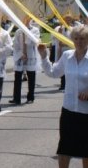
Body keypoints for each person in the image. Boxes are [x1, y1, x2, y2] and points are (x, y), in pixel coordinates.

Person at [38, 25, 88, 168]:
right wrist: (44, 57)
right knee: (64, 148)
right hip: (69, 110)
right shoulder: (67, 56)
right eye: (76, 38)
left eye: (83, 39)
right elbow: (53, 73)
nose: (79, 42)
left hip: (86, 112)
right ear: (72, 40)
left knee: (86, 151)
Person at [9, 17, 40, 105]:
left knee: (31, 77)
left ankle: (30, 97)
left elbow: (33, 42)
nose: (25, 20)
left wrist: (26, 32)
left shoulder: (35, 30)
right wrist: (20, 54)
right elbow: (15, 45)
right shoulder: (18, 31)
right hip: (20, 56)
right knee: (17, 77)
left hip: (30, 55)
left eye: (27, 18)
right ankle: (16, 98)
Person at [53, 13, 78, 91]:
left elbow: (74, 40)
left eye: (69, 19)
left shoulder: (73, 29)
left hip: (70, 50)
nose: (67, 20)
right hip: (61, 50)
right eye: (66, 19)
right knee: (62, 66)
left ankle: (69, 83)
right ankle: (62, 84)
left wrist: (65, 43)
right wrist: (59, 33)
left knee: (69, 67)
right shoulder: (58, 28)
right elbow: (54, 38)